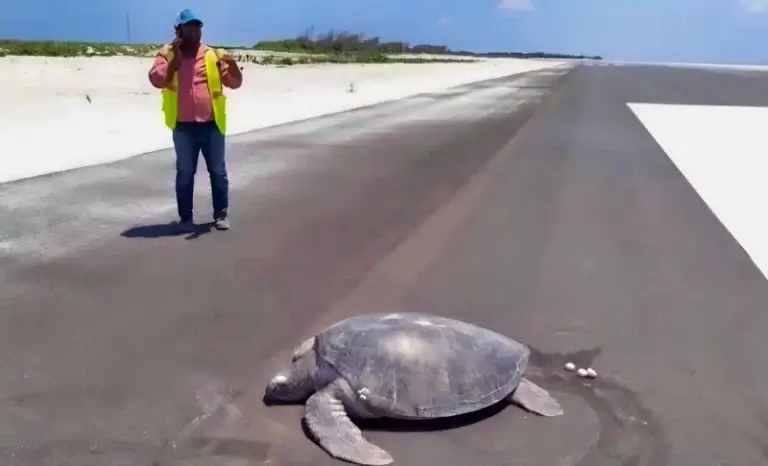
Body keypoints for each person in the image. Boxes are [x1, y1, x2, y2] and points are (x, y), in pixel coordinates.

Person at [148, 8, 243, 232]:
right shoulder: (166, 54)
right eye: (189, 27)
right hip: (183, 128)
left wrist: (233, 65)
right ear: (179, 30)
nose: (195, 31)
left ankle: (221, 215)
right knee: (185, 173)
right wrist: (175, 62)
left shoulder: (213, 54)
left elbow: (235, 82)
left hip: (212, 124)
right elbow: (157, 80)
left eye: (198, 27)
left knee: (218, 171)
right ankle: (185, 219)